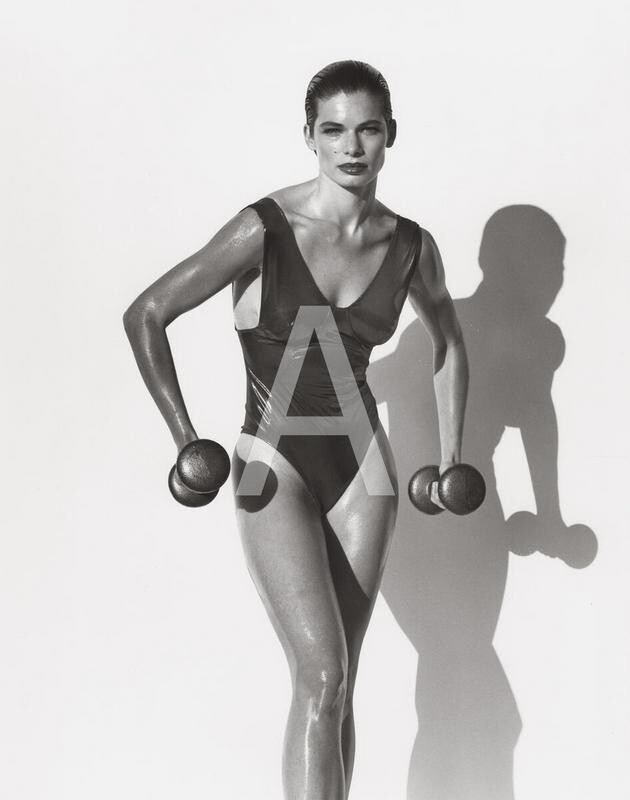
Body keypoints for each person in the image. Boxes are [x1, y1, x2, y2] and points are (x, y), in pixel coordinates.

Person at [123, 60, 469, 800]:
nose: (351, 147)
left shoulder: (411, 246)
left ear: (390, 134)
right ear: (309, 136)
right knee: (321, 673)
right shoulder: (265, 228)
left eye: (367, 129)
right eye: (333, 130)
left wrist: (451, 458)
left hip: (365, 474)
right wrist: (185, 439)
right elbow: (147, 313)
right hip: (267, 463)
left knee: (338, 684)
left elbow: (449, 342)